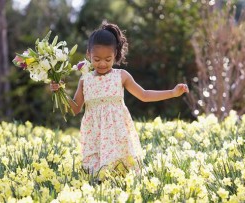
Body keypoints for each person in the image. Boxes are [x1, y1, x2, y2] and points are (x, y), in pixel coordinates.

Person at [50, 22, 189, 180]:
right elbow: (75, 109)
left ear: (115, 55)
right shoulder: (85, 80)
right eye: (97, 59)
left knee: (121, 174)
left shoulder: (121, 75)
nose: (102, 63)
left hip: (117, 133)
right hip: (94, 134)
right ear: (88, 54)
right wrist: (60, 91)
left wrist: (172, 92)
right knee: (97, 177)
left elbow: (144, 95)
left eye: (108, 59)